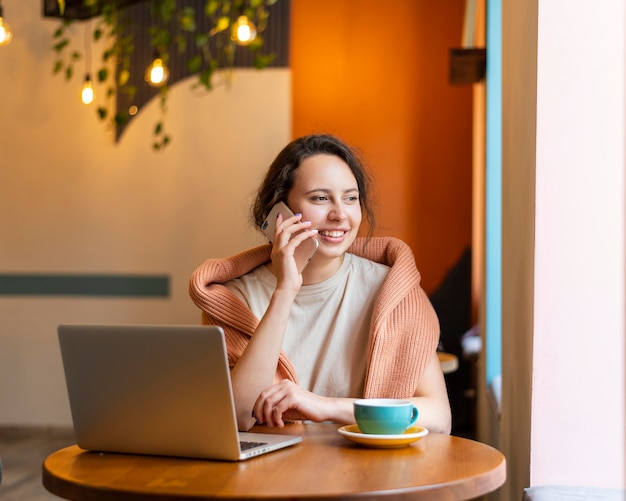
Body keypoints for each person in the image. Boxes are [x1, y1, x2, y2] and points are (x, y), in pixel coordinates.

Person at [189, 134, 451, 434]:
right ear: (279, 212)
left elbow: (439, 417)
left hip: (368, 474)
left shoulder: (392, 290)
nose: (340, 214)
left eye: (350, 198)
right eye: (320, 198)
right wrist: (285, 291)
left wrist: (324, 407)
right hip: (269, 477)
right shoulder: (234, 298)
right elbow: (236, 417)